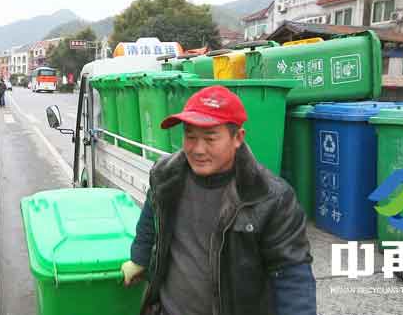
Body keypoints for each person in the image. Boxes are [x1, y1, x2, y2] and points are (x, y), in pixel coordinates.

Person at [121, 85, 316, 315]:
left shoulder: (270, 198)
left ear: (237, 138)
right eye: (190, 136)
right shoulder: (166, 175)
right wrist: (139, 258)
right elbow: (151, 217)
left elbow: (291, 274)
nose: (198, 149)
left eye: (210, 138)